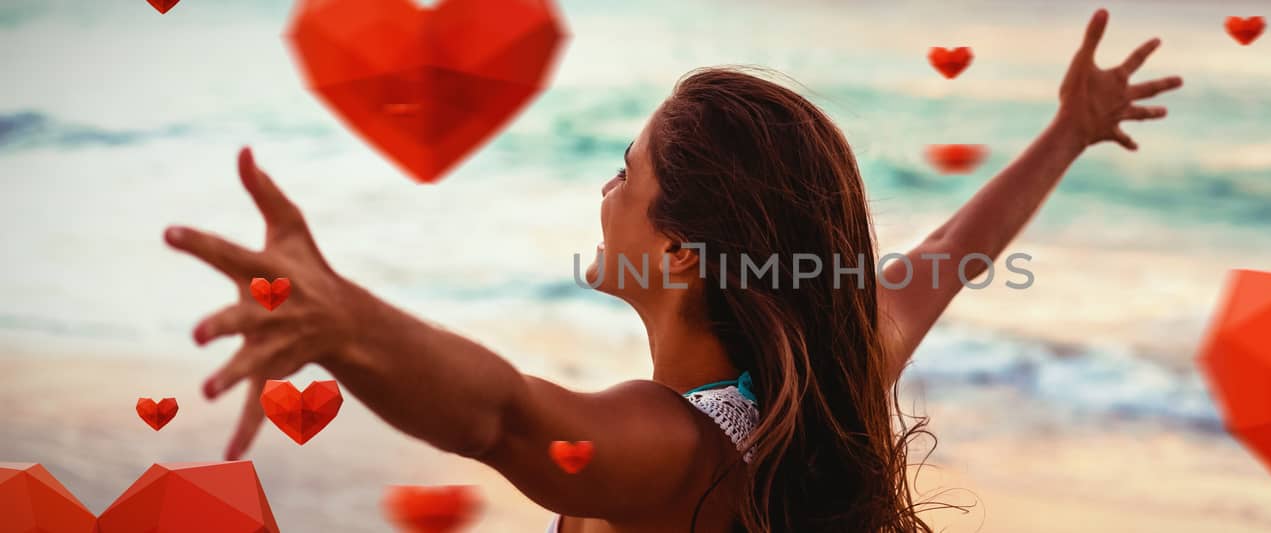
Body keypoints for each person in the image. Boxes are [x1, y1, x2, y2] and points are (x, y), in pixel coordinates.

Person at [164, 8, 1180, 532]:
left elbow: (501, 415)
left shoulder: (671, 443)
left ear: (686, 249)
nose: (603, 193)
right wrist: (1066, 134)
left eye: (625, 172)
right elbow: (950, 261)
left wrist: (345, 323)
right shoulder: (824, 374)